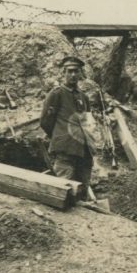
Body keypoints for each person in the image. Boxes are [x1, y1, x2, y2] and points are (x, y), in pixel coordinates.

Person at [39, 56, 93, 199]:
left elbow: (87, 121)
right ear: (64, 73)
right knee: (63, 191)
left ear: (80, 74)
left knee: (82, 191)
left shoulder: (84, 97)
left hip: (83, 150)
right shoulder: (57, 94)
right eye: (70, 71)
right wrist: (60, 136)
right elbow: (45, 121)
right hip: (65, 150)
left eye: (76, 71)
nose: (73, 75)